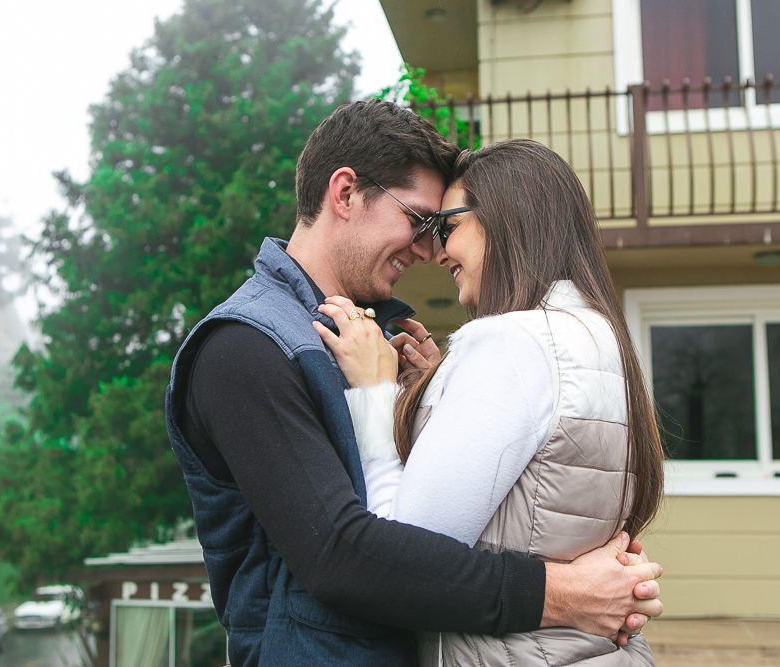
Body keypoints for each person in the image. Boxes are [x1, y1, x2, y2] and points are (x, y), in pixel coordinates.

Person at [164, 101, 663, 667]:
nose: (430, 250)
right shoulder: (243, 349)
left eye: (441, 228)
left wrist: (423, 398)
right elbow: (341, 558)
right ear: (346, 194)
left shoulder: (382, 346)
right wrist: (561, 593)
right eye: (420, 220)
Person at [313, 138, 665, 665]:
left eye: (447, 226)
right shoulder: (596, 336)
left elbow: (408, 552)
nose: (435, 252)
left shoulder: (510, 344)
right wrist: (437, 390)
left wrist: (374, 391)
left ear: (504, 217)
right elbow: (542, 497)